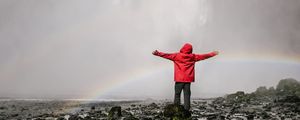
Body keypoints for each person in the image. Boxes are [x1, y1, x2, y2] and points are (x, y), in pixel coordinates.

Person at [152, 43, 218, 110]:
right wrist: (213, 53)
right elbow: (204, 56)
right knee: (187, 95)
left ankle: (176, 109)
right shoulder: (193, 57)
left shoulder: (176, 56)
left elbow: (166, 55)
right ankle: (187, 109)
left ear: (182, 48)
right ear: (191, 50)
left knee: (177, 94)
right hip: (188, 80)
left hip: (179, 79)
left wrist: (157, 53)